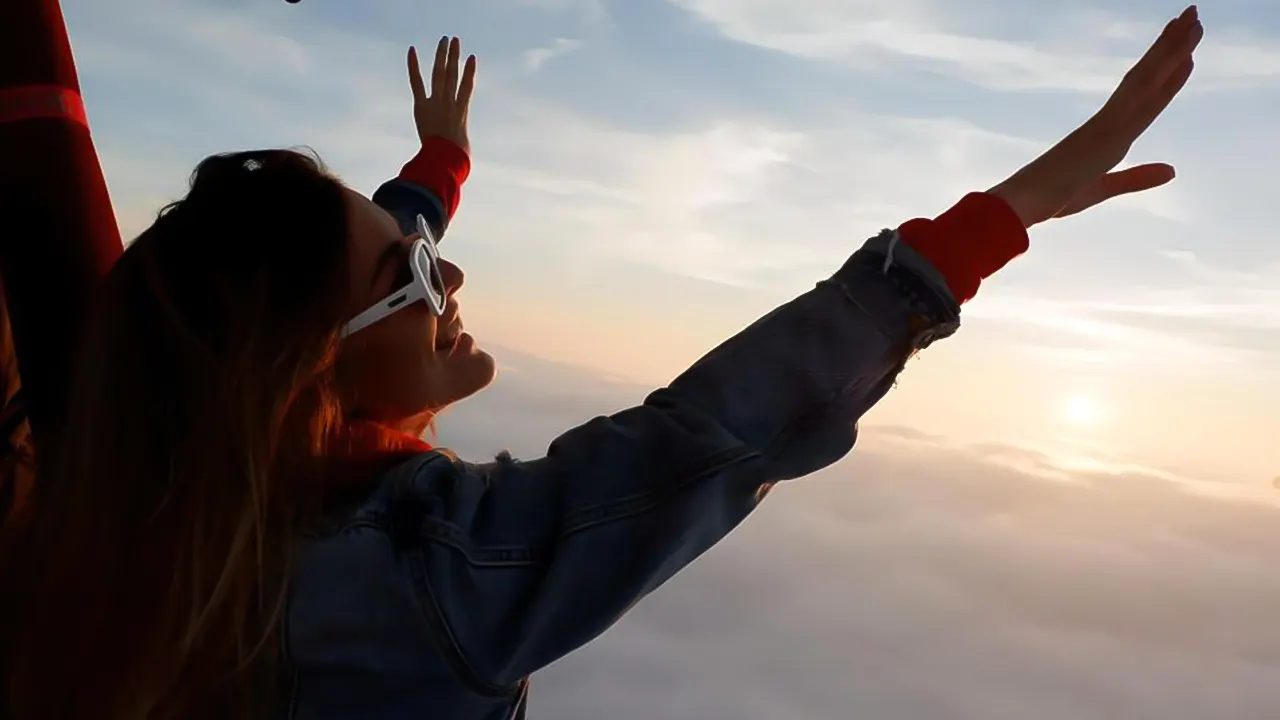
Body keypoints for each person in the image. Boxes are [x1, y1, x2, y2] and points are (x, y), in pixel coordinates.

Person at [1, 7, 1203, 719]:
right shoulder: (424, 582)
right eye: (408, 278)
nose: (445, 278)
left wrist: (432, 178)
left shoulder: (161, 476)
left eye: (424, 253)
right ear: (303, 368)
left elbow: (326, 284)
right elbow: (708, 435)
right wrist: (1002, 217)